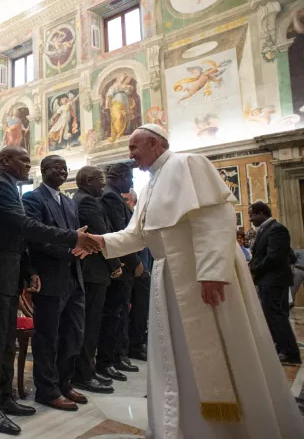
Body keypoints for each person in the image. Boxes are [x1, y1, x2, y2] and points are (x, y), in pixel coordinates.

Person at [86, 124, 304, 438]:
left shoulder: (188, 164)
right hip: (167, 277)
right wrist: (98, 241)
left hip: (199, 277)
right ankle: (180, 424)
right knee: (172, 352)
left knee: (211, 352)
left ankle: (225, 430)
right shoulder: (150, 184)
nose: (130, 155)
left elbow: (215, 219)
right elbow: (136, 236)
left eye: (135, 147)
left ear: (155, 143)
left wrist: (212, 272)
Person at [0, 146, 99, 435]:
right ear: (5, 160)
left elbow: (18, 237)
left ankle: (4, 398)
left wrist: (27, 271)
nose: (28, 165)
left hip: (9, 274)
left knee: (6, 344)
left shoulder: (10, 187)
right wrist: (73, 237)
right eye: (24, 160)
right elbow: (25, 226)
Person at [22, 155, 88, 411]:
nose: (61, 171)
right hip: (50, 276)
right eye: (55, 167)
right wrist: (70, 250)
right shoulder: (33, 199)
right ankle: (46, 390)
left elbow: (77, 236)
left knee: (72, 334)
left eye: (64, 168)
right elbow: (35, 239)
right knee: (47, 337)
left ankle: (64, 383)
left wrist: (82, 248)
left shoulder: (69, 203)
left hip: (74, 277)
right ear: (43, 170)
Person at [71, 166, 121, 393]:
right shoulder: (87, 202)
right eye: (100, 180)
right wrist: (115, 265)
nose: (103, 185)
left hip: (92, 272)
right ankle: (84, 374)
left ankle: (86, 370)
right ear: (89, 180)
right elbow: (102, 237)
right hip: (93, 271)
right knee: (89, 325)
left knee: (90, 324)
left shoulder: (82, 198)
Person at [98, 162, 142, 376]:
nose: (131, 182)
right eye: (130, 177)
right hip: (119, 264)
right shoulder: (110, 197)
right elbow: (119, 233)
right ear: (121, 176)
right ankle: (110, 359)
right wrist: (135, 262)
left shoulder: (114, 195)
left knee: (121, 312)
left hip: (123, 263)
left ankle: (118, 356)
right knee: (114, 314)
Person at [248, 201, 301, 364]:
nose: (250, 219)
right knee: (274, 316)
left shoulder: (277, 229)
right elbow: (287, 255)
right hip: (269, 280)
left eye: (252, 215)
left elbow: (273, 257)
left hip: (273, 280)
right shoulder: (266, 230)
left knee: (276, 316)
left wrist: (254, 269)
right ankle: (282, 348)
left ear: (262, 213)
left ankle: (290, 352)